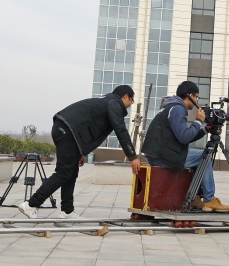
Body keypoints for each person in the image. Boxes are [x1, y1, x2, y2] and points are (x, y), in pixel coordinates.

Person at [18, 85, 142, 221]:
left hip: (67, 130)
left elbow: (88, 126)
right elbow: (120, 130)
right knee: (64, 172)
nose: (130, 105)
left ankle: (67, 211)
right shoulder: (114, 103)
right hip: (68, 131)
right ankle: (31, 204)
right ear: (125, 96)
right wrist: (132, 156)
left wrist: (82, 152)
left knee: (71, 173)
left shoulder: (107, 102)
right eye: (131, 100)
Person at [141, 80, 229, 212]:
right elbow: (184, 137)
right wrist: (199, 120)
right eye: (196, 97)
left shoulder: (170, 107)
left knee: (197, 155)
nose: (196, 101)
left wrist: (205, 130)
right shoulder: (177, 109)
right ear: (190, 96)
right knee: (204, 156)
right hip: (163, 157)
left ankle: (194, 197)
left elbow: (185, 137)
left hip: (159, 153)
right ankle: (209, 199)